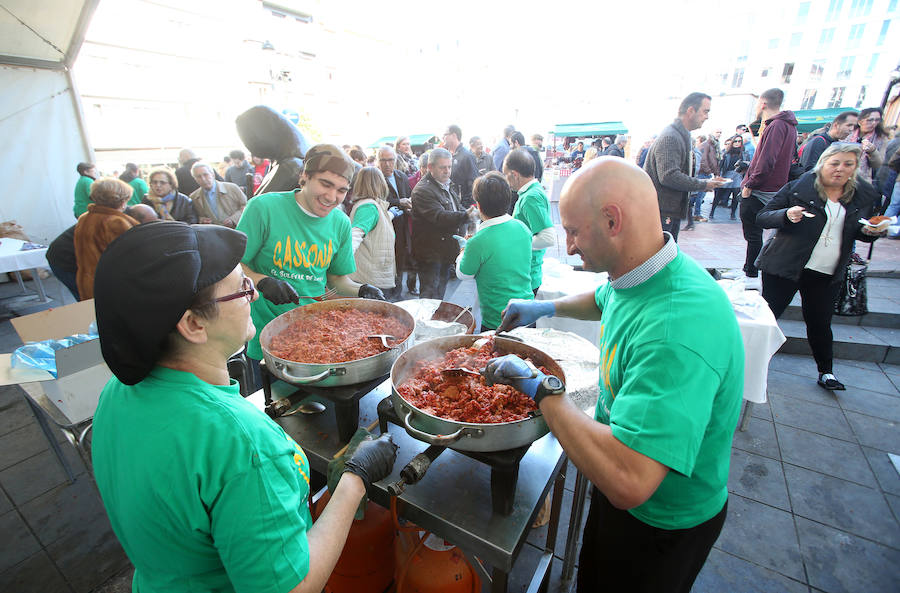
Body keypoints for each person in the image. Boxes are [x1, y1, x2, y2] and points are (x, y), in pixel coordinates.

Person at [90, 221, 398, 593]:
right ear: (193, 324)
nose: (253, 296)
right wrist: (354, 479)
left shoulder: (117, 391)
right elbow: (293, 587)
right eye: (241, 288)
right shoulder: (242, 445)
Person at [489, 157, 743, 593]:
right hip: (622, 482)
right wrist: (546, 307)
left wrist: (540, 388)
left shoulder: (676, 330)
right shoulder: (641, 271)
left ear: (612, 220)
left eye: (572, 230)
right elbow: (607, 297)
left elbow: (629, 480)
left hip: (660, 523)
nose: (566, 246)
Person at [236, 144, 386, 364]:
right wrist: (262, 281)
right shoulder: (263, 208)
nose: (332, 196)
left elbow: (337, 280)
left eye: (341, 190)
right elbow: (235, 265)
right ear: (305, 176)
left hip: (317, 333)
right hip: (266, 334)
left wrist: (361, 289)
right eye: (325, 184)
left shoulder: (340, 223)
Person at [757, 143, 883, 390]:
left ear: (855, 169)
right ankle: (746, 362)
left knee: (820, 322)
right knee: (768, 317)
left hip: (826, 271)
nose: (840, 169)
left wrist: (870, 231)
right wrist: (786, 215)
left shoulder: (860, 196)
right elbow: (763, 216)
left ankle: (826, 372)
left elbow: (861, 230)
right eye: (834, 163)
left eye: (848, 164)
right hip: (786, 265)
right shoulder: (799, 187)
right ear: (822, 163)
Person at [456, 172, 533, 330]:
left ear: (478, 205)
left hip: (498, 321)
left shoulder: (478, 241)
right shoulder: (522, 228)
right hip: (528, 313)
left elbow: (463, 274)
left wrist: (463, 249)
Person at [644, 92, 724, 241]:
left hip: (668, 211)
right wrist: (703, 184)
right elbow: (669, 176)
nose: (707, 116)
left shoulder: (681, 135)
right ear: (691, 111)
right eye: (705, 111)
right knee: (662, 260)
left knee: (667, 258)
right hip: (662, 212)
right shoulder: (671, 137)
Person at [739, 88, 799, 278]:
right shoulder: (788, 126)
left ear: (763, 104)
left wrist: (749, 185)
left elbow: (767, 160)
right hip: (772, 186)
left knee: (753, 233)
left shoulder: (777, 125)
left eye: (758, 103)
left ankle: (751, 272)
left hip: (761, 188)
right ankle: (751, 270)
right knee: (757, 233)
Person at [410, 147, 478, 300]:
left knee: (439, 295)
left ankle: (436, 321)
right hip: (431, 255)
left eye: (449, 167)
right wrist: (466, 215)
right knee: (430, 298)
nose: (447, 171)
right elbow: (439, 216)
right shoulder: (423, 190)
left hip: (444, 252)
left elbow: (455, 206)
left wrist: (467, 212)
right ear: (430, 167)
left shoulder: (446, 183)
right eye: (443, 167)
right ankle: (426, 322)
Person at [74, 178, 138, 300]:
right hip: (112, 287)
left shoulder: (84, 218)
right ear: (122, 200)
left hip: (87, 282)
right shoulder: (115, 222)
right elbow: (130, 260)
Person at [504, 148, 555, 295]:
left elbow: (547, 237)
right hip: (528, 271)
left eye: (506, 175)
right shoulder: (532, 192)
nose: (507, 181)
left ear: (514, 174)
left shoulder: (530, 197)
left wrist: (514, 244)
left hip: (527, 274)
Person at [349, 166, 398, 296]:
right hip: (369, 279)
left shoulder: (372, 206)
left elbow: (376, 225)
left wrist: (391, 215)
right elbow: (355, 235)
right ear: (380, 183)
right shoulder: (368, 207)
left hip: (374, 275)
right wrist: (341, 268)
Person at [376, 146, 414, 299]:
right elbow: (378, 201)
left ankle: (398, 293)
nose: (387, 164)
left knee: (400, 260)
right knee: (386, 262)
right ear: (378, 161)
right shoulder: (376, 179)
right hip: (385, 227)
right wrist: (399, 202)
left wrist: (410, 205)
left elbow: (409, 197)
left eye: (390, 160)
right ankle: (387, 294)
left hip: (403, 226)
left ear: (395, 160)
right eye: (383, 160)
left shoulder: (401, 176)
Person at [189, 162, 247, 228]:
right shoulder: (194, 197)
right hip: (213, 235)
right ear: (195, 179)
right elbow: (193, 217)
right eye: (199, 176)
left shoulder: (232, 188)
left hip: (237, 231)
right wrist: (201, 219)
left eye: (205, 174)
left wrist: (233, 219)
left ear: (213, 174)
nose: (203, 179)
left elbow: (246, 206)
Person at [844, 107, 888, 184]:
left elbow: (877, 165)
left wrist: (873, 151)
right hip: (842, 174)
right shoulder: (847, 133)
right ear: (860, 121)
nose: (874, 123)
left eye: (877, 120)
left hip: (861, 179)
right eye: (870, 120)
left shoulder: (881, 139)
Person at [710, 135, 750, 220]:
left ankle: (733, 214)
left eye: (739, 141)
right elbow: (720, 165)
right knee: (718, 195)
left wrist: (745, 164)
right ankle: (712, 212)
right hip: (726, 175)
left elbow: (749, 164)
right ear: (732, 142)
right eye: (735, 141)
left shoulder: (744, 153)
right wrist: (718, 175)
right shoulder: (726, 153)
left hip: (738, 175)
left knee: (736, 196)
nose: (737, 143)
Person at [443, 124, 478, 207]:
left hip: (464, 207)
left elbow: (474, 183)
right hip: (451, 205)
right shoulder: (447, 155)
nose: (443, 137)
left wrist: (466, 206)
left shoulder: (467, 156)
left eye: (445, 135)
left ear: (454, 135)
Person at [684, 135, 707, 231]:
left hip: (690, 181)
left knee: (689, 203)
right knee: (688, 204)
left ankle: (690, 223)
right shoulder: (694, 153)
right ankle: (690, 223)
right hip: (691, 181)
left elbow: (693, 169)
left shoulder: (693, 153)